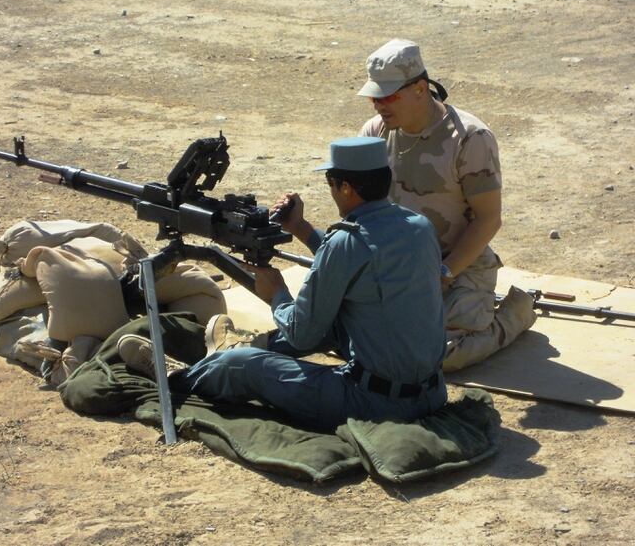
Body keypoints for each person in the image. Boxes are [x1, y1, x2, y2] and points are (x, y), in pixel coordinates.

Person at [118, 137, 447, 432]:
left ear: (347, 188)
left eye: (332, 184)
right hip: (430, 394)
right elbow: (363, 264)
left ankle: (175, 375)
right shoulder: (417, 226)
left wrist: (277, 295)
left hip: (373, 404)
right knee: (332, 320)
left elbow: (303, 332)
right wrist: (301, 228)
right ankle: (238, 347)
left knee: (242, 366)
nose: (331, 192)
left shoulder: (346, 242)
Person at [356, 38, 536, 371]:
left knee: (438, 355)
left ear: (421, 89)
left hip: (459, 264)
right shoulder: (375, 133)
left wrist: (444, 272)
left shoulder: (470, 138)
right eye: (374, 97)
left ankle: (515, 315)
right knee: (362, 340)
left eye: (389, 96)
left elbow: (488, 220)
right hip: (399, 263)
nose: (380, 106)